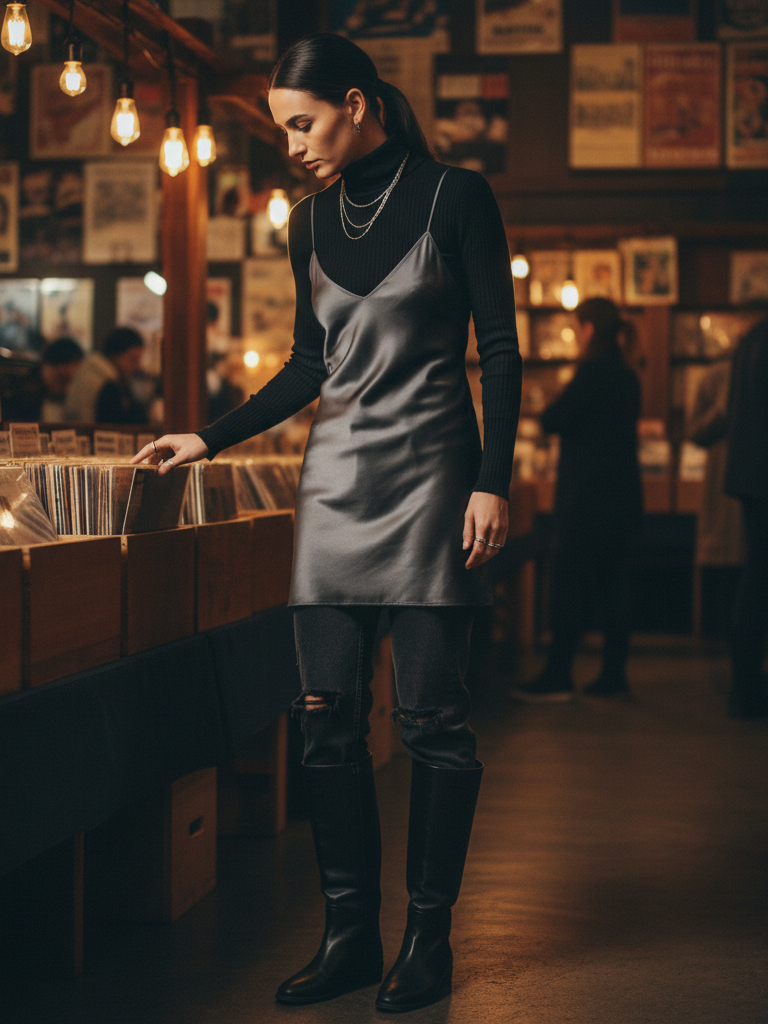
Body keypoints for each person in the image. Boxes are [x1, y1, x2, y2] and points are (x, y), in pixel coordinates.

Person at [132, 32, 521, 1013]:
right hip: (333, 491)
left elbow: (501, 349)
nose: (292, 143)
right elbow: (313, 365)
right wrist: (206, 438)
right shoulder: (308, 223)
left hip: (436, 486)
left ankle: (428, 939)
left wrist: (492, 479)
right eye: (282, 129)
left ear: (355, 102)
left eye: (301, 123)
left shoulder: (454, 197)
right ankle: (350, 932)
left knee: (434, 725)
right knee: (324, 728)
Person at [512, 297, 642, 702]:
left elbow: (554, 419)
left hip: (588, 499)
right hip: (623, 497)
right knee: (613, 585)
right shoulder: (626, 373)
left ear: (588, 329)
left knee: (566, 580)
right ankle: (614, 676)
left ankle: (558, 674)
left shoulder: (593, 372)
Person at [724, 306, 768, 719]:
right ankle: (750, 688)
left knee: (756, 576)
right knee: (759, 579)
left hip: (751, 477)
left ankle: (746, 685)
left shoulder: (750, 341)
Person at [687, 356, 745, 636]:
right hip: (725, 485)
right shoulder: (717, 376)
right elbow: (695, 431)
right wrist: (723, 408)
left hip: (738, 484)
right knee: (731, 569)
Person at [65, 326, 146, 423]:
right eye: (133, 359)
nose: (137, 366)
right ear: (114, 355)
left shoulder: (94, 371)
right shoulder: (105, 382)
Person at [1, 336, 83, 422]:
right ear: (46, 368)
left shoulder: (79, 405)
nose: (67, 388)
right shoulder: (22, 400)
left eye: (72, 382)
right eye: (61, 380)